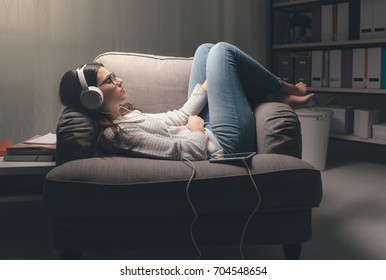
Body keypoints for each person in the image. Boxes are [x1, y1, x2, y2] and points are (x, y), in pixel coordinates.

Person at [59, 42, 314, 161]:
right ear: (93, 99)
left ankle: (268, 95)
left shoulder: (123, 117)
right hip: (222, 146)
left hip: (203, 129)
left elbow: (176, 117)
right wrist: (196, 131)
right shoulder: (118, 135)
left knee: (205, 49)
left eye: (114, 76)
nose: (120, 81)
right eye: (110, 81)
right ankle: (284, 86)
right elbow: (187, 153)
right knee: (223, 50)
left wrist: (206, 87)